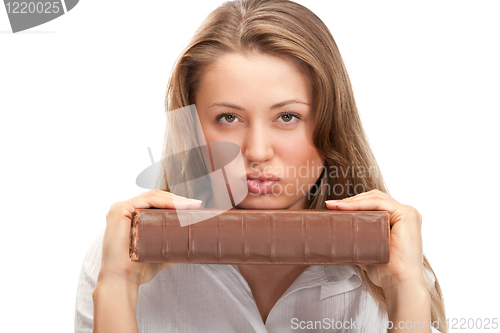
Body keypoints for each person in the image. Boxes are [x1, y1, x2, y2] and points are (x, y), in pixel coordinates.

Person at [74, 0, 447, 332]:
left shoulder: (396, 262)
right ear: (191, 127)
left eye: (287, 116)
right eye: (228, 118)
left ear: (330, 124)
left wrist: (406, 289)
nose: (257, 152)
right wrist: (117, 287)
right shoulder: (124, 251)